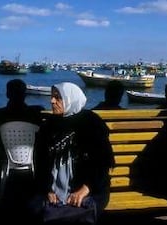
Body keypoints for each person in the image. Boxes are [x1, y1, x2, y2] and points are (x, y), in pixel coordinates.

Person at [31, 82, 115, 225]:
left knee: (80, 207)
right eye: (52, 97)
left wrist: (85, 188)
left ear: (71, 99)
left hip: (90, 188)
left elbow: (102, 162)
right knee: (36, 206)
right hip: (53, 190)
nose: (52, 101)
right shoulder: (48, 127)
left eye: (58, 98)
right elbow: (40, 163)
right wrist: (47, 189)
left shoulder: (91, 123)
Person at [0, 79, 45, 224]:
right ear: (25, 94)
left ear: (7, 94)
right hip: (32, 163)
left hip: (7, 161)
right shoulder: (36, 112)